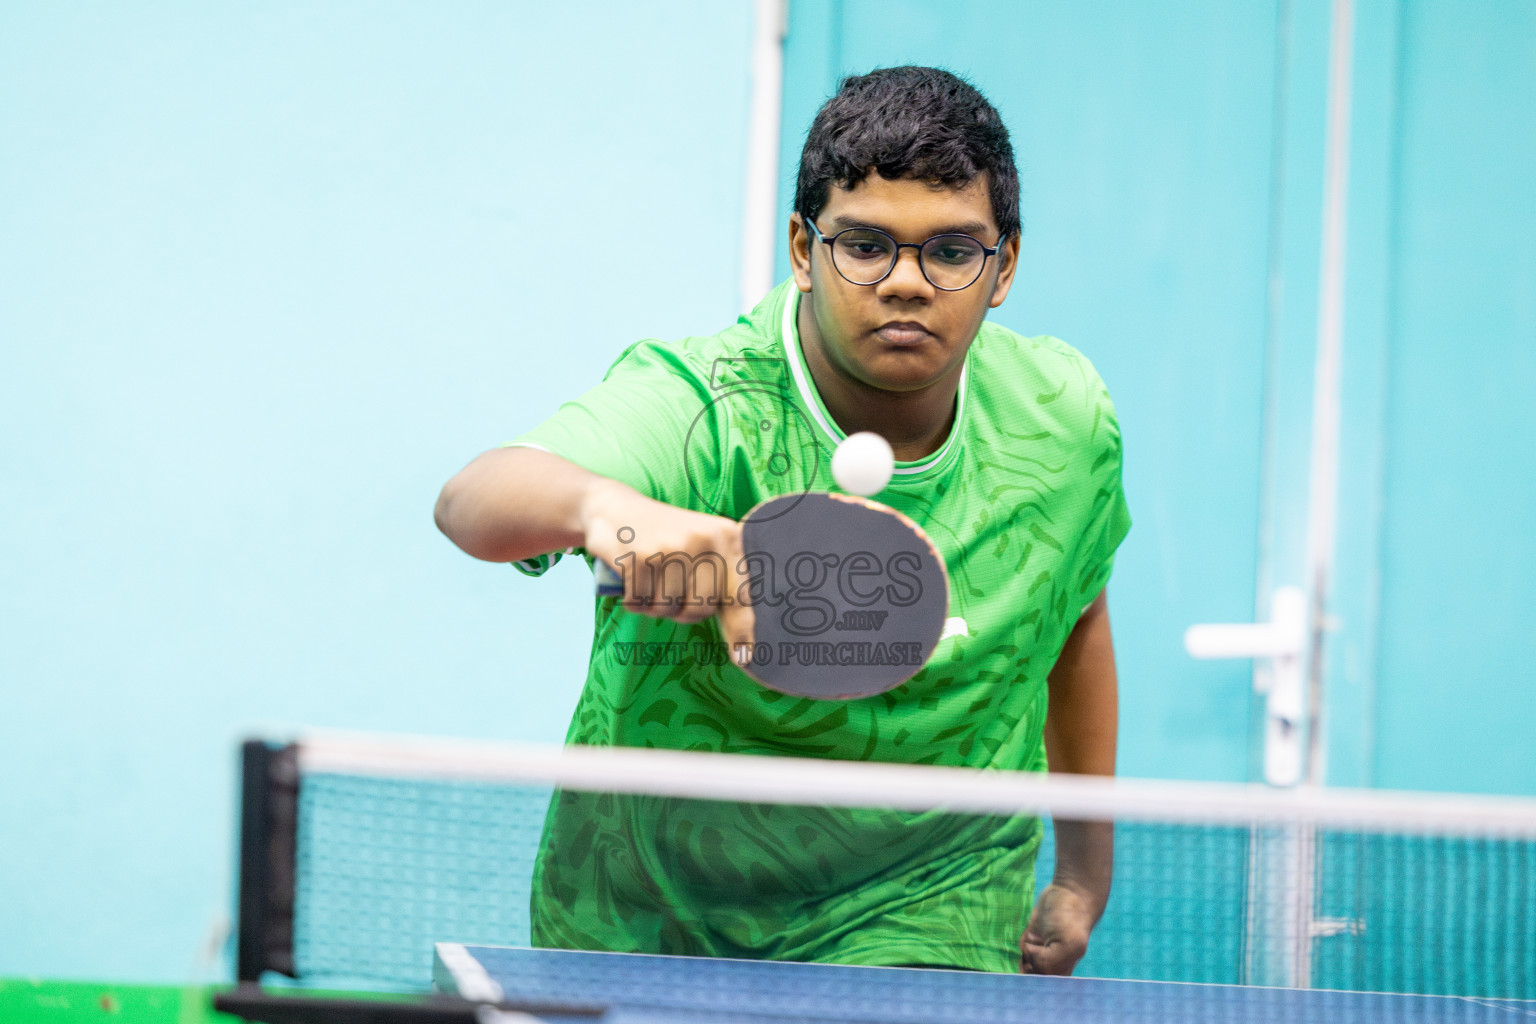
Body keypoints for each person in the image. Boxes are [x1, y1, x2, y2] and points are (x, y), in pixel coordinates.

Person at [435, 65, 1130, 975]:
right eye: (866, 245)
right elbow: (475, 500)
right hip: (657, 923)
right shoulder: (704, 405)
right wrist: (611, 512)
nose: (907, 283)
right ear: (803, 250)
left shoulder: (1063, 424)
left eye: (952, 251)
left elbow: (1072, 620)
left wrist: (1084, 875)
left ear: (1004, 266)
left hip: (934, 905)